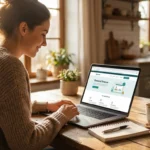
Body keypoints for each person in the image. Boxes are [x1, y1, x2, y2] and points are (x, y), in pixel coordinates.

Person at [0, 0, 79, 150]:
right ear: (24, 28)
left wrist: (46, 106)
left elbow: (8, 108)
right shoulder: (10, 66)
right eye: (43, 34)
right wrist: (61, 116)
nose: (45, 43)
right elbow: (26, 143)